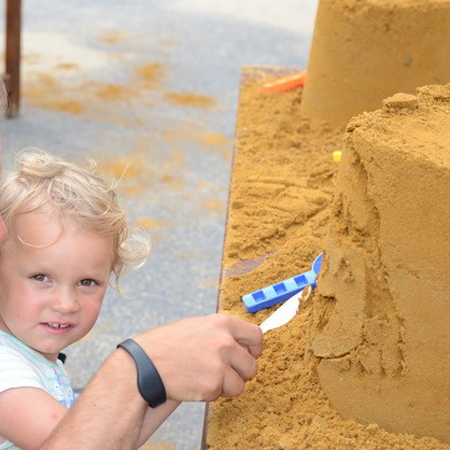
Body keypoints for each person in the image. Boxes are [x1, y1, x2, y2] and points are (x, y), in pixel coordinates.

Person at [0, 82, 263, 450]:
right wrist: (147, 365)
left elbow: (114, 436)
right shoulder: (6, 370)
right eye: (41, 277)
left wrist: (174, 376)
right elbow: (78, 441)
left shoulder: (28, 352)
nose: (66, 303)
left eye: (87, 282)